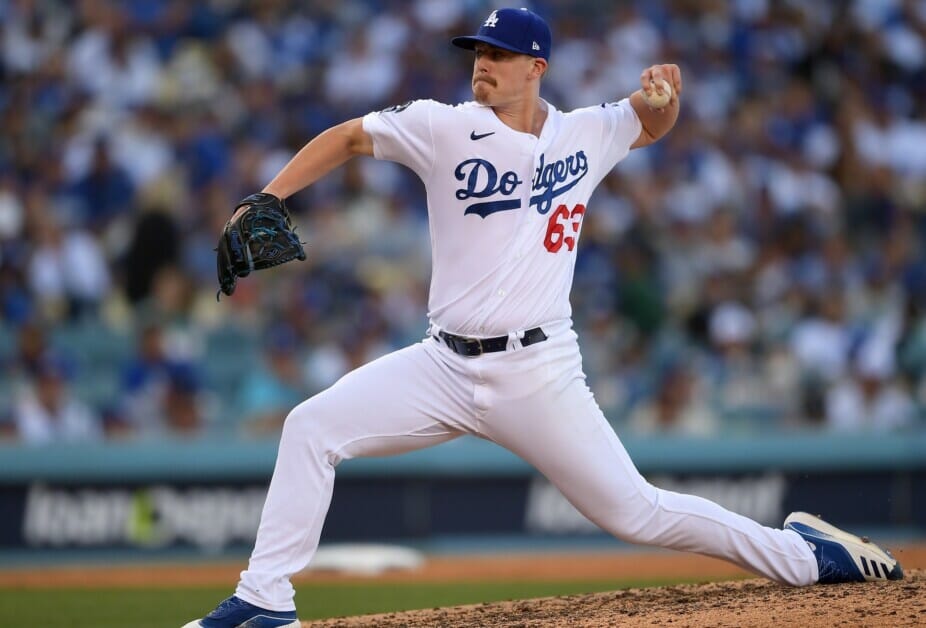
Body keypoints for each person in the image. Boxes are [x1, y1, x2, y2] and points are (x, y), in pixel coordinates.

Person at [184, 8, 902, 628]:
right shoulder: (441, 126)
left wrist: (665, 95)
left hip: (537, 369)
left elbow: (649, 122)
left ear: (537, 67)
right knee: (310, 427)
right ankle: (265, 599)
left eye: (498, 55)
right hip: (442, 365)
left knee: (636, 513)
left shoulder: (585, 132)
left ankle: (806, 555)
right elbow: (346, 137)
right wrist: (266, 197)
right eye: (477, 52)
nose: (482, 64)